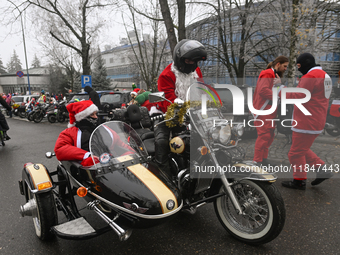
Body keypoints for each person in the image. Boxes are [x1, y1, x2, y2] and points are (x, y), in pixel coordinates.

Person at [154, 39, 207, 175]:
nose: (193, 65)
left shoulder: (196, 72)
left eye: (196, 62)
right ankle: (164, 177)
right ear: (180, 59)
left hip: (191, 115)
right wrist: (182, 111)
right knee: (162, 143)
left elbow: (201, 90)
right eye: (189, 61)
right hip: (166, 116)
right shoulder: (166, 75)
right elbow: (168, 103)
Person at [281, 53, 332, 190]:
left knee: (295, 153)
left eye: (299, 66)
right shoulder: (325, 76)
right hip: (317, 119)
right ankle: (322, 169)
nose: (298, 69)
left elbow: (298, 96)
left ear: (306, 63)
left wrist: (281, 90)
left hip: (306, 122)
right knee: (302, 149)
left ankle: (299, 181)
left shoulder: (310, 77)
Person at [54, 100, 134, 166]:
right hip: (89, 170)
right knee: (93, 161)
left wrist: (133, 153)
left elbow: (120, 144)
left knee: (130, 155)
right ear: (83, 117)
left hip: (112, 164)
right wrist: (87, 155)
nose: (96, 117)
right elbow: (60, 149)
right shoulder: (70, 132)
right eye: (92, 114)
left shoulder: (105, 129)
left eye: (96, 114)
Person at [252, 55, 289, 166]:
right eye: (285, 66)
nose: (286, 69)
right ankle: (257, 161)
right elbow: (263, 90)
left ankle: (263, 159)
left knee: (269, 135)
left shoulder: (272, 74)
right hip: (263, 110)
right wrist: (278, 97)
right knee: (264, 136)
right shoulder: (268, 73)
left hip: (269, 110)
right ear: (278, 64)